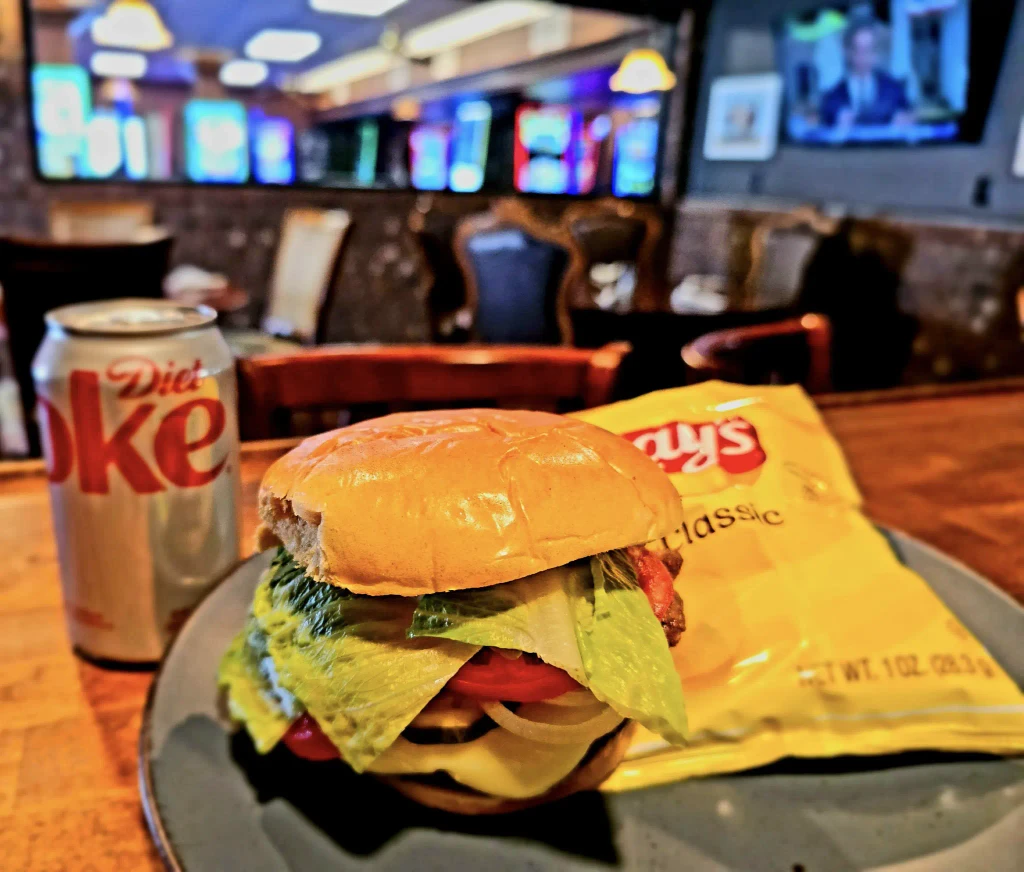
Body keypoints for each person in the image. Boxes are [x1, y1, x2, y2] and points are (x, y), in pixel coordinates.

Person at [820, 17, 913, 129]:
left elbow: (910, 118)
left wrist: (906, 121)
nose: (864, 57)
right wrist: (838, 128)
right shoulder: (832, 97)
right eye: (859, 50)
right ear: (848, 52)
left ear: (876, 53)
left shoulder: (894, 90)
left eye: (869, 50)